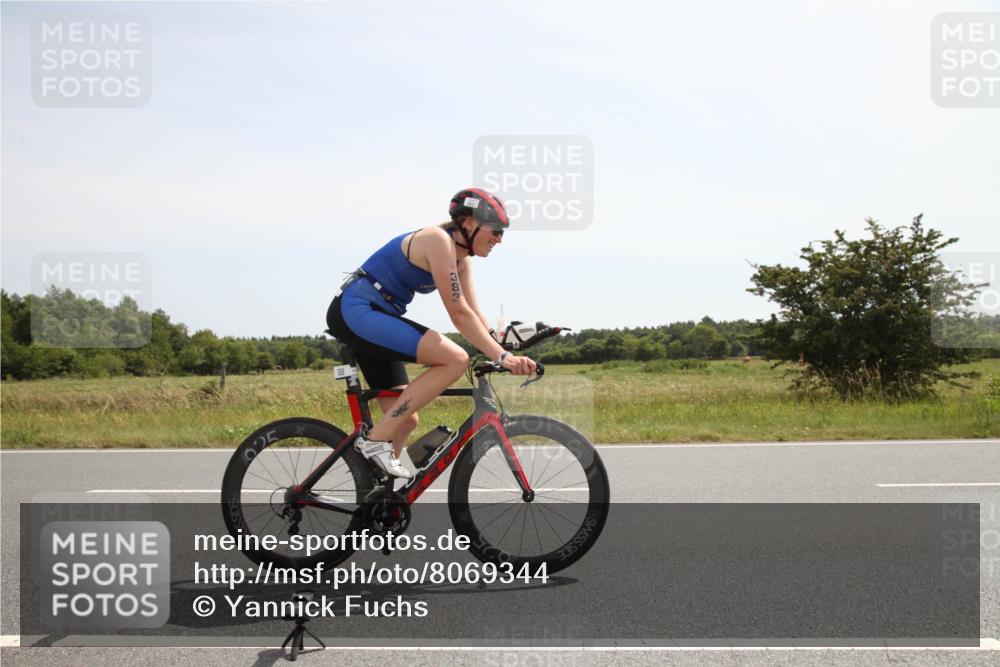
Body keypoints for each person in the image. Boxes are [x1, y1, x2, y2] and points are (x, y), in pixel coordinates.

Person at [326, 188, 538, 478]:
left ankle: (376, 495)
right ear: (468, 222)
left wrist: (505, 345)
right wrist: (501, 357)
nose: (500, 239)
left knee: (405, 420)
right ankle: (374, 442)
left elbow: (475, 315)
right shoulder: (438, 241)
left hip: (378, 317)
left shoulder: (462, 261)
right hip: (357, 310)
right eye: (497, 230)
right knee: (455, 359)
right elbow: (458, 313)